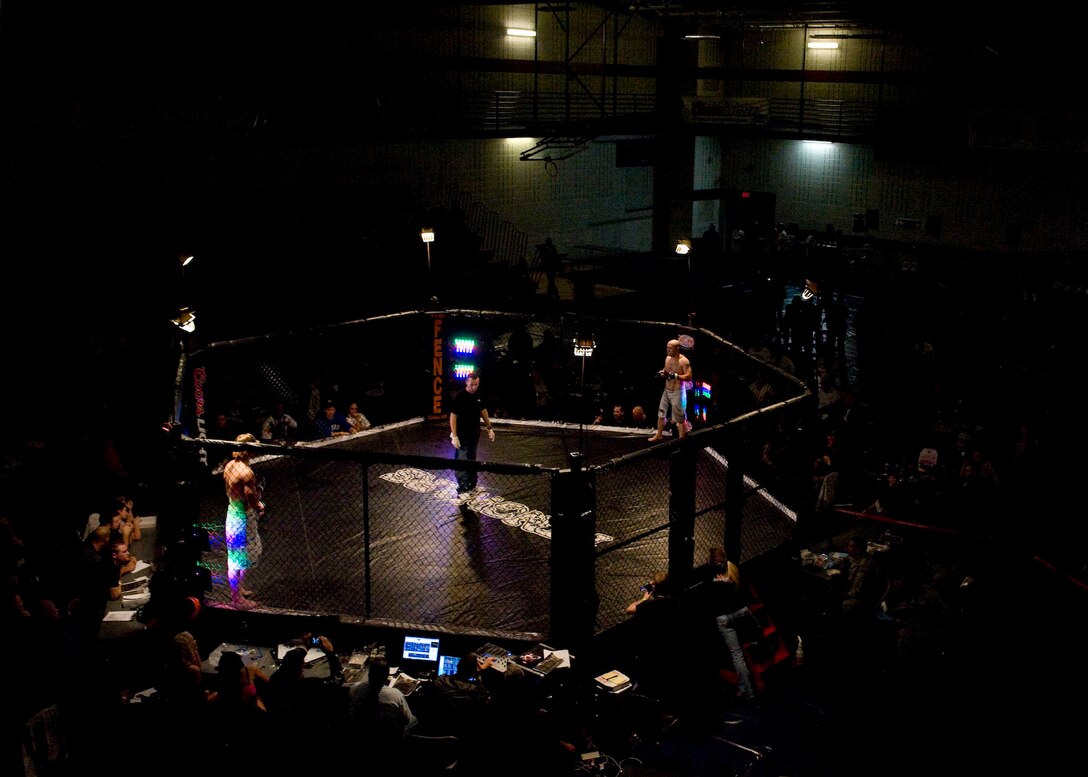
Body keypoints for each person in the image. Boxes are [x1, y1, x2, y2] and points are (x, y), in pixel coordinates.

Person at [688, 548, 756, 699]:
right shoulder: (733, 569)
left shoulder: (709, 576)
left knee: (736, 655)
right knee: (754, 630)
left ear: (712, 562)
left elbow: (708, 596)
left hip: (725, 617)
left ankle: (748, 692)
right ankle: (756, 639)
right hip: (742, 611)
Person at [223, 433, 264, 608]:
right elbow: (250, 496)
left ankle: (238, 590)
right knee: (240, 558)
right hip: (243, 517)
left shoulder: (230, 465)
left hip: (232, 511)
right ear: (247, 451)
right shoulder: (246, 472)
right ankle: (237, 599)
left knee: (238, 557)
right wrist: (259, 505)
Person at [347, 654, 418, 748]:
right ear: (386, 677)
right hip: (389, 741)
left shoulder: (355, 689)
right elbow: (407, 719)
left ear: (369, 674)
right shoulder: (396, 695)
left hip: (361, 737)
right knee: (414, 719)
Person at [449, 371, 495, 494]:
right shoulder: (459, 396)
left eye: (476, 384)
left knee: (472, 459)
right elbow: (453, 416)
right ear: (466, 383)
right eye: (472, 384)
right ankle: (463, 487)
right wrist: (454, 435)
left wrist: (489, 427)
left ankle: (472, 484)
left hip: (474, 434)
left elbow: (483, 410)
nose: (474, 387)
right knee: (462, 460)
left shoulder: (478, 395)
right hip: (462, 435)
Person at [648, 339, 693, 442]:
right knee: (661, 414)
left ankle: (682, 439)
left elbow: (689, 376)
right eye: (667, 348)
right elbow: (666, 371)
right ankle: (659, 434)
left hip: (678, 391)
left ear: (677, 348)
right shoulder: (667, 358)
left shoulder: (684, 361)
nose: (668, 350)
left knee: (679, 418)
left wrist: (676, 376)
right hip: (667, 390)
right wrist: (662, 373)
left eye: (671, 348)